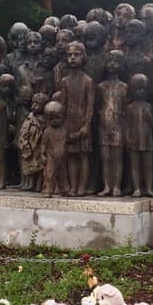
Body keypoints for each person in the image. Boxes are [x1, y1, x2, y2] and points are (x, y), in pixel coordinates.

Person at [59, 42, 95, 197]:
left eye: (76, 54)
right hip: (69, 122)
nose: (72, 58)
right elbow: (63, 105)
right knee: (71, 156)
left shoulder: (88, 81)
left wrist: (86, 125)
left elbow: (90, 106)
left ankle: (82, 186)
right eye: (69, 55)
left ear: (83, 57)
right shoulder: (65, 81)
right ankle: (73, 187)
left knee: (83, 156)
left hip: (82, 121)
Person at [97, 51, 127, 197]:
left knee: (117, 157)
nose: (112, 65)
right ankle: (107, 186)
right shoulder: (100, 87)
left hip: (119, 125)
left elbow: (127, 108)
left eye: (116, 62)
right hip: (103, 125)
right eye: (109, 61)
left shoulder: (124, 87)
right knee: (105, 157)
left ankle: (116, 186)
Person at [127, 74, 153, 197]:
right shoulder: (130, 107)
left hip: (147, 140)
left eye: (143, 89)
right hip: (135, 139)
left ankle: (148, 188)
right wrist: (127, 138)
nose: (141, 92)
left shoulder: (149, 106)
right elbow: (126, 125)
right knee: (135, 165)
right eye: (138, 89)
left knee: (148, 165)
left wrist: (150, 118)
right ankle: (137, 188)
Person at [18, 92, 49, 192]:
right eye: (33, 103)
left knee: (39, 165)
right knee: (29, 164)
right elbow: (24, 129)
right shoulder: (30, 117)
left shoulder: (45, 119)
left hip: (39, 145)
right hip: (29, 145)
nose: (34, 106)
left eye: (38, 104)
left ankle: (39, 184)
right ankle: (30, 183)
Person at [41, 101, 70, 197]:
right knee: (49, 174)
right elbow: (43, 144)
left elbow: (68, 140)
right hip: (51, 156)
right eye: (51, 119)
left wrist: (78, 135)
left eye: (57, 118)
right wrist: (42, 154)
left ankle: (65, 189)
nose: (54, 121)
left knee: (63, 174)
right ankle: (48, 190)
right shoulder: (47, 131)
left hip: (62, 156)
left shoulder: (64, 130)